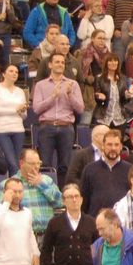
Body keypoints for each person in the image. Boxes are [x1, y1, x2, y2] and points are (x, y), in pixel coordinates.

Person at [41, 183, 99, 265]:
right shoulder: (55, 223)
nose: (74, 200)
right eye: (70, 197)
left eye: (76, 196)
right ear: (63, 201)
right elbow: (46, 250)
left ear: (82, 199)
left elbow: (98, 247)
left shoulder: (91, 222)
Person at [32, 53, 85, 186]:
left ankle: (63, 195)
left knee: (65, 165)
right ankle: (45, 192)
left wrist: (70, 95)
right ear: (50, 64)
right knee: (45, 164)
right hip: (47, 126)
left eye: (62, 62)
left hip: (66, 127)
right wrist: (53, 97)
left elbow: (80, 109)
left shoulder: (73, 84)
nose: (60, 64)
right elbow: (36, 109)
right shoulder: (40, 85)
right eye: (57, 62)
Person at [80, 128, 132, 216]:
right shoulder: (89, 169)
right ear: (103, 146)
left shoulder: (130, 169)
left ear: (121, 147)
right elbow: (84, 200)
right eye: (109, 144)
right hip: (95, 222)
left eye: (116, 145)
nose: (113, 148)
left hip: (122, 222)